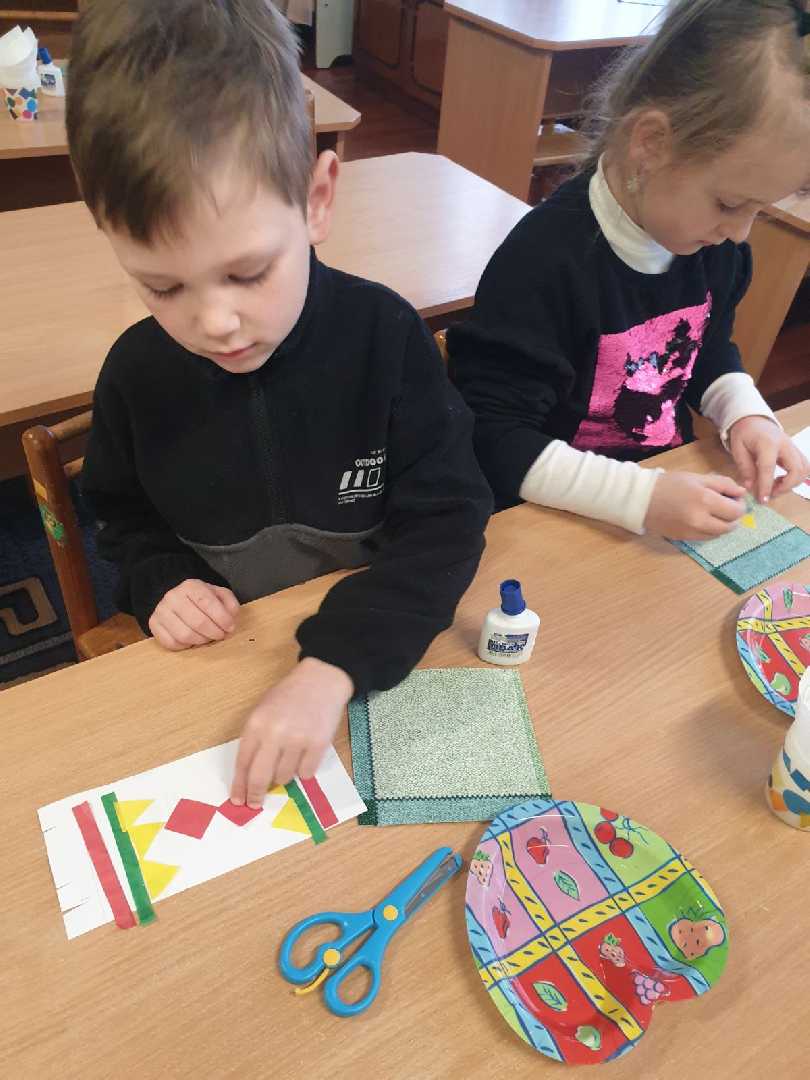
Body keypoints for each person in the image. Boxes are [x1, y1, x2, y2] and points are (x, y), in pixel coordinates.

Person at [67, 0, 491, 807]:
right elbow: (120, 517)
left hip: (374, 648)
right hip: (225, 665)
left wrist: (334, 663)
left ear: (317, 198)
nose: (215, 323)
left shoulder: (384, 338)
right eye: (161, 287)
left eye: (248, 272)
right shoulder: (136, 375)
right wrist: (160, 581)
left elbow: (448, 519)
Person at [448, 0, 810, 540]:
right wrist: (638, 497)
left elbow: (706, 351)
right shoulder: (544, 263)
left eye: (762, 208)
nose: (741, 233)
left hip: (656, 499)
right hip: (547, 518)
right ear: (652, 143)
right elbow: (494, 436)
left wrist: (745, 412)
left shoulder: (715, 248)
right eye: (731, 203)